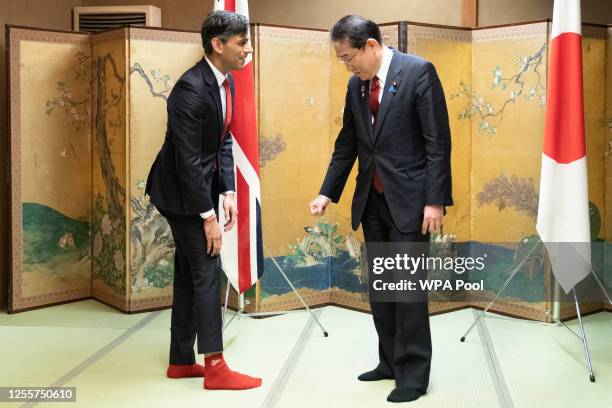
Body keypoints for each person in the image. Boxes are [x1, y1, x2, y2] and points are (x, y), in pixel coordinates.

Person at [309, 15, 452, 403]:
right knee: (382, 291)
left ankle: (413, 375)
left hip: (411, 202)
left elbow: (437, 142)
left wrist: (435, 200)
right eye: (341, 59)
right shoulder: (356, 87)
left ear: (371, 46)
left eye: (348, 56)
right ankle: (388, 361)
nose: (346, 65)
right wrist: (327, 193)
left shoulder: (419, 72)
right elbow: (347, 145)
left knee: (406, 291)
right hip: (372, 201)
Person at [145, 10, 261, 391]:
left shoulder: (224, 81)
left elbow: (223, 139)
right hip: (179, 192)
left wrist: (227, 191)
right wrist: (208, 216)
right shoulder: (190, 89)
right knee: (207, 271)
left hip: (200, 187)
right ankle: (215, 365)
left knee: (189, 272)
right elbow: (187, 160)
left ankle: (181, 360)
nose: (248, 49)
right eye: (241, 42)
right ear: (217, 44)